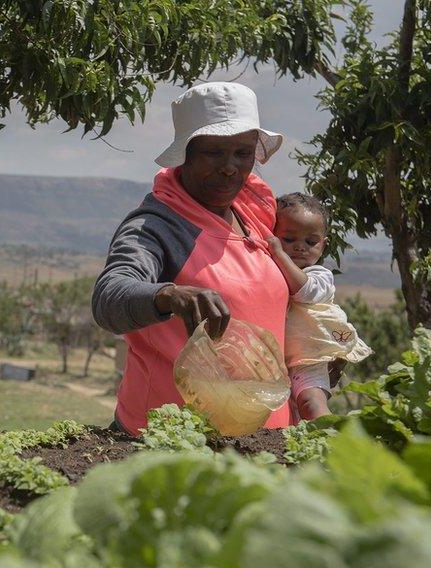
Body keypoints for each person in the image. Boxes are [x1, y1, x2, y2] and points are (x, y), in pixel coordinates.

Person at [92, 81, 291, 435]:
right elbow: (110, 295)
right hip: (172, 442)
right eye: (214, 153)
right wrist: (168, 295)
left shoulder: (254, 213)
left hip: (262, 443)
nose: (230, 168)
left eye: (242, 153)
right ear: (186, 154)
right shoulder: (158, 226)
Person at [265, 192, 371, 420]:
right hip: (278, 361)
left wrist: (279, 253)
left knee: (311, 402)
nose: (300, 248)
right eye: (289, 239)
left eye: (310, 242)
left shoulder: (320, 275)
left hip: (309, 359)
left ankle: (330, 443)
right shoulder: (271, 270)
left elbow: (304, 291)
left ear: (323, 245)